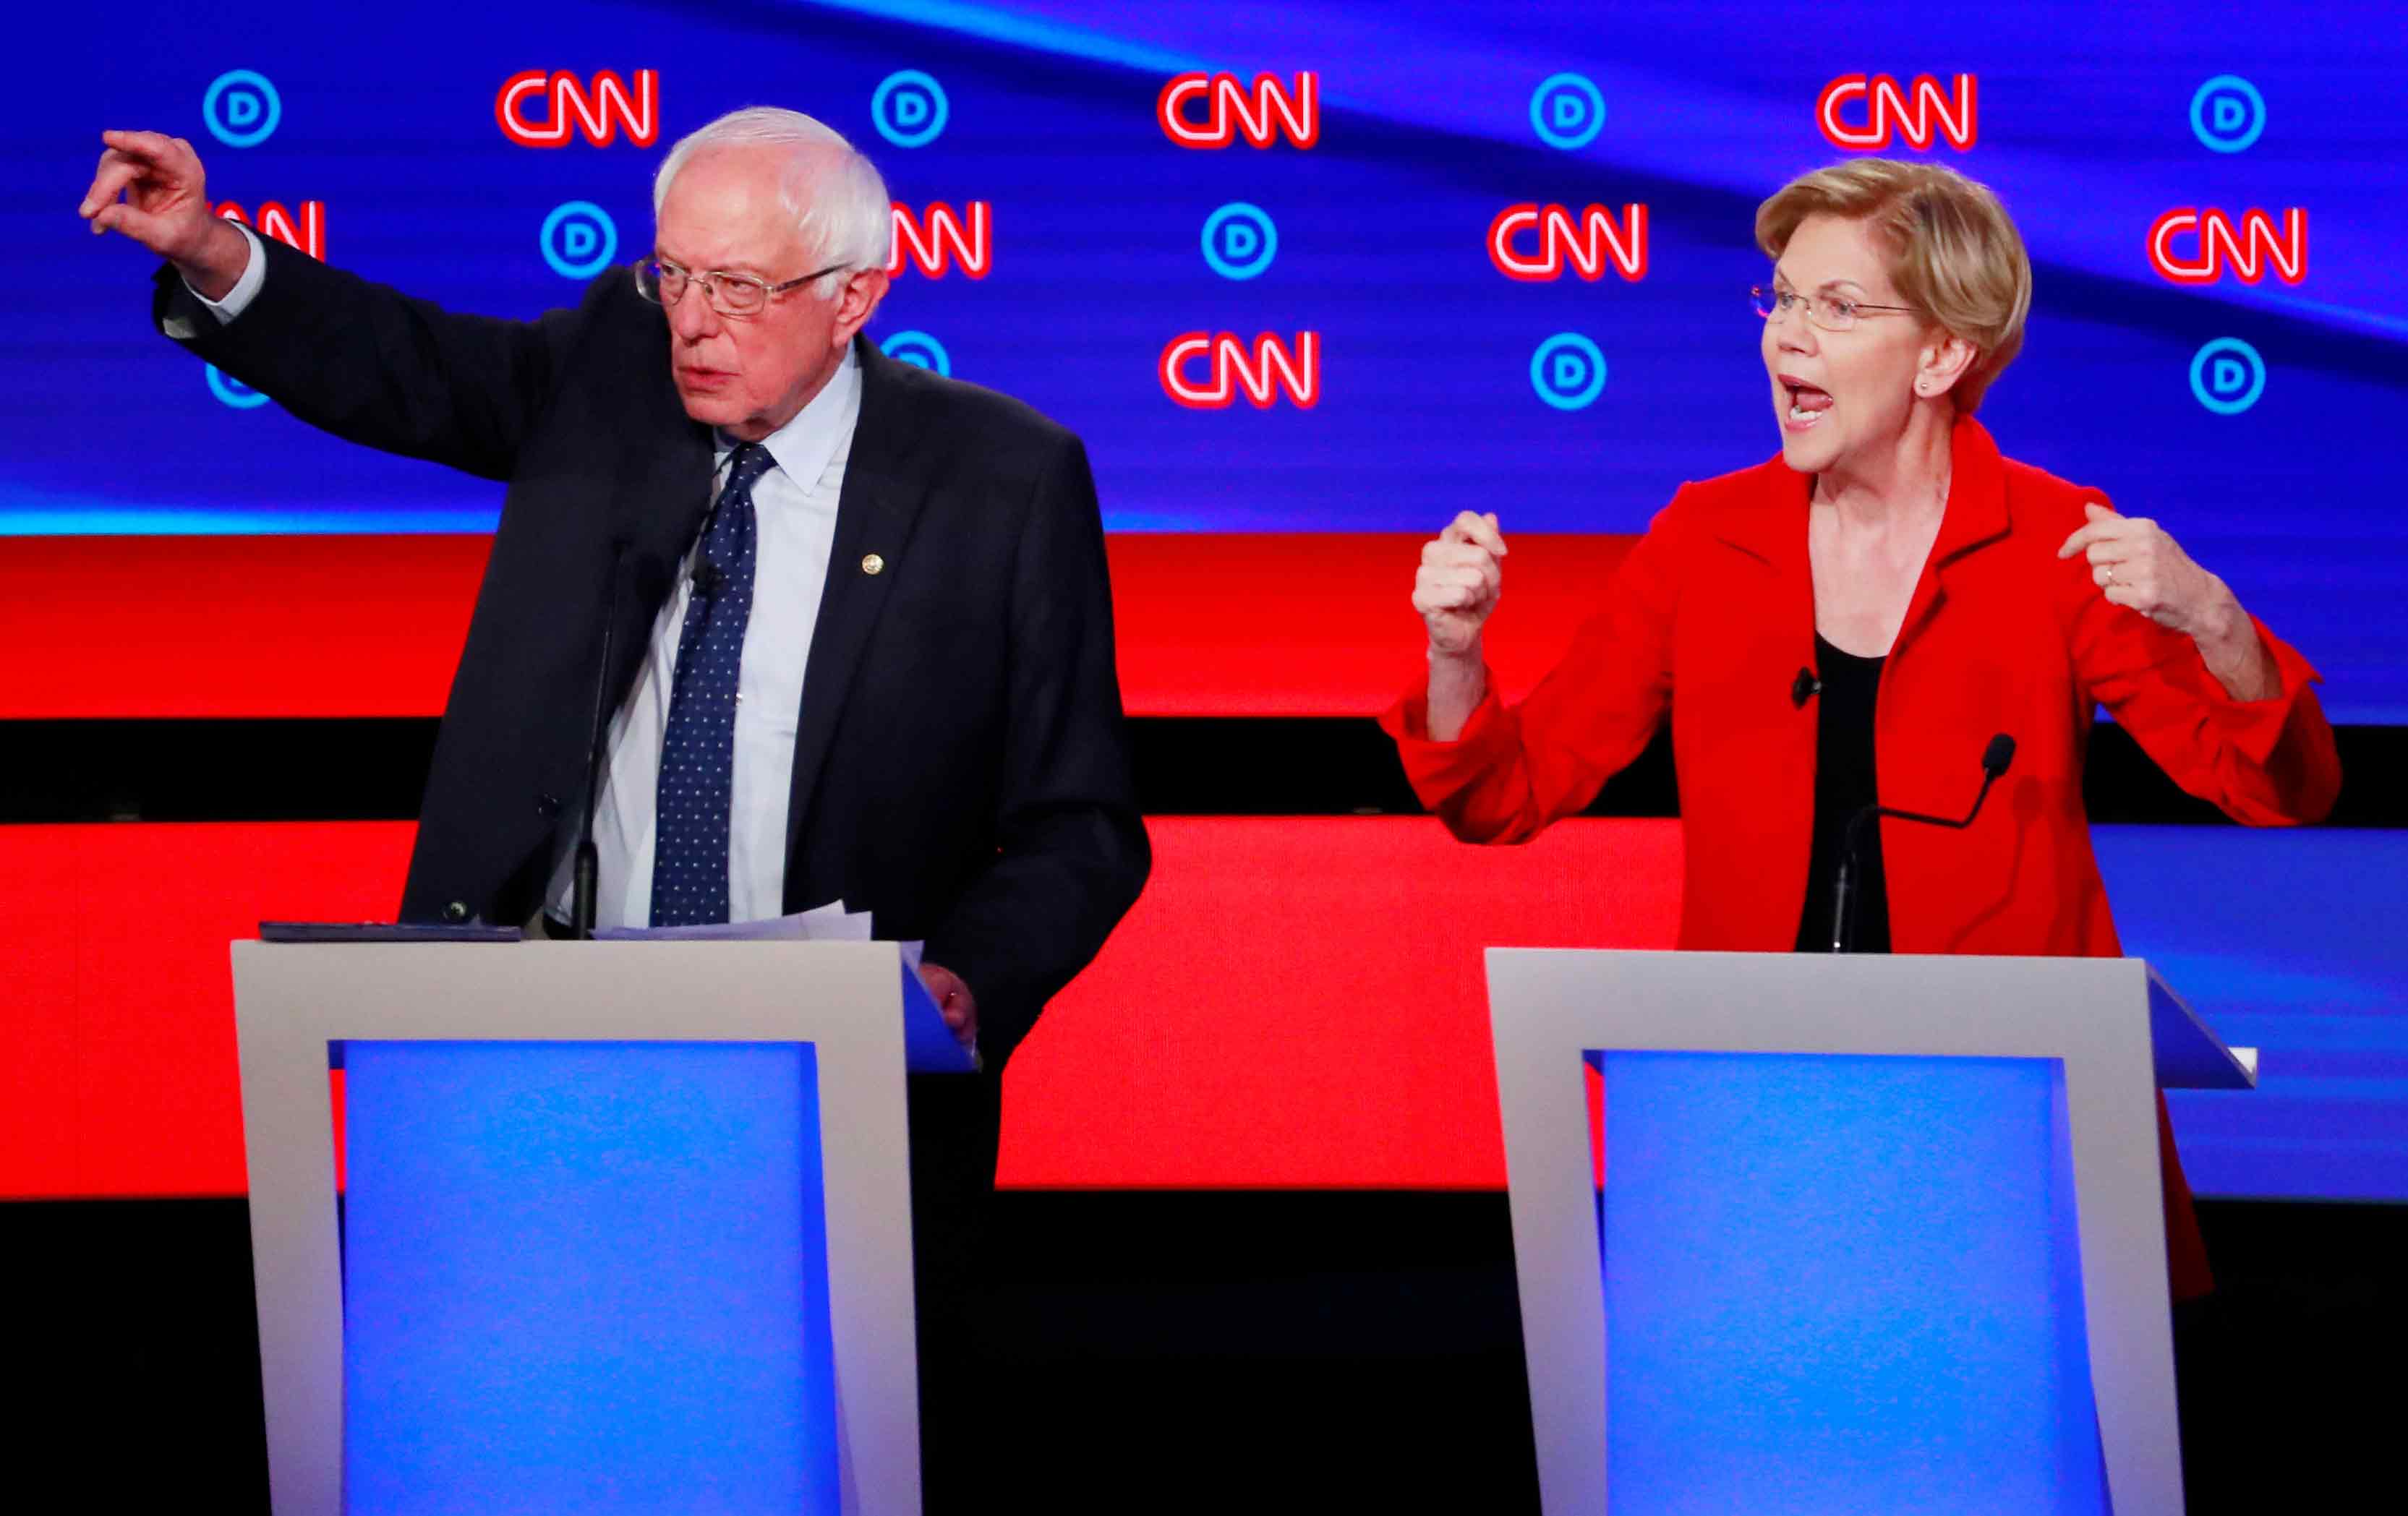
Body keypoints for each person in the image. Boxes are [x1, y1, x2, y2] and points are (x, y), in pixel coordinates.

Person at [82, 108, 1150, 1502]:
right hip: (541, 1073)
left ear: (857, 298)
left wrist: (964, 979)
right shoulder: (608, 376)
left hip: (824, 1100)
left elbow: (1083, 823)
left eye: (741, 290)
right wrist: (213, 251)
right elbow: (404, 367)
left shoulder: (1000, 478)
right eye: (675, 276)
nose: (694, 325)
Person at [1385, 158, 2340, 1299]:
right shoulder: (1707, 537)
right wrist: (1456, 649)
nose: (1786, 338)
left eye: (1836, 308)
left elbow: (2277, 788)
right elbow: (1502, 793)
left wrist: (2214, 618)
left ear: (1942, 354)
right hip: (1756, 1118)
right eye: (1781, 299)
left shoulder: (2054, 544)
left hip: (2005, 1118)